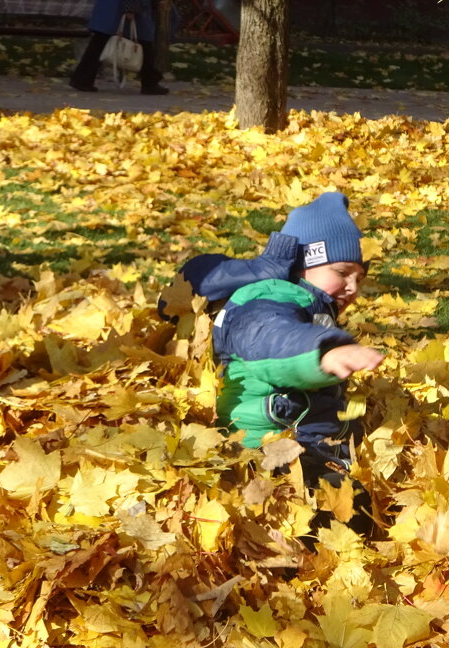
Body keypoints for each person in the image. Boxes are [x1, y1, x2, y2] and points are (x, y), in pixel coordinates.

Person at [161, 191, 383, 504]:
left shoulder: (311, 307)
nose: (353, 287)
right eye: (342, 272)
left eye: (360, 278)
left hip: (303, 443)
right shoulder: (267, 300)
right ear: (304, 265)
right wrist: (324, 352)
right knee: (341, 501)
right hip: (262, 452)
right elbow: (274, 340)